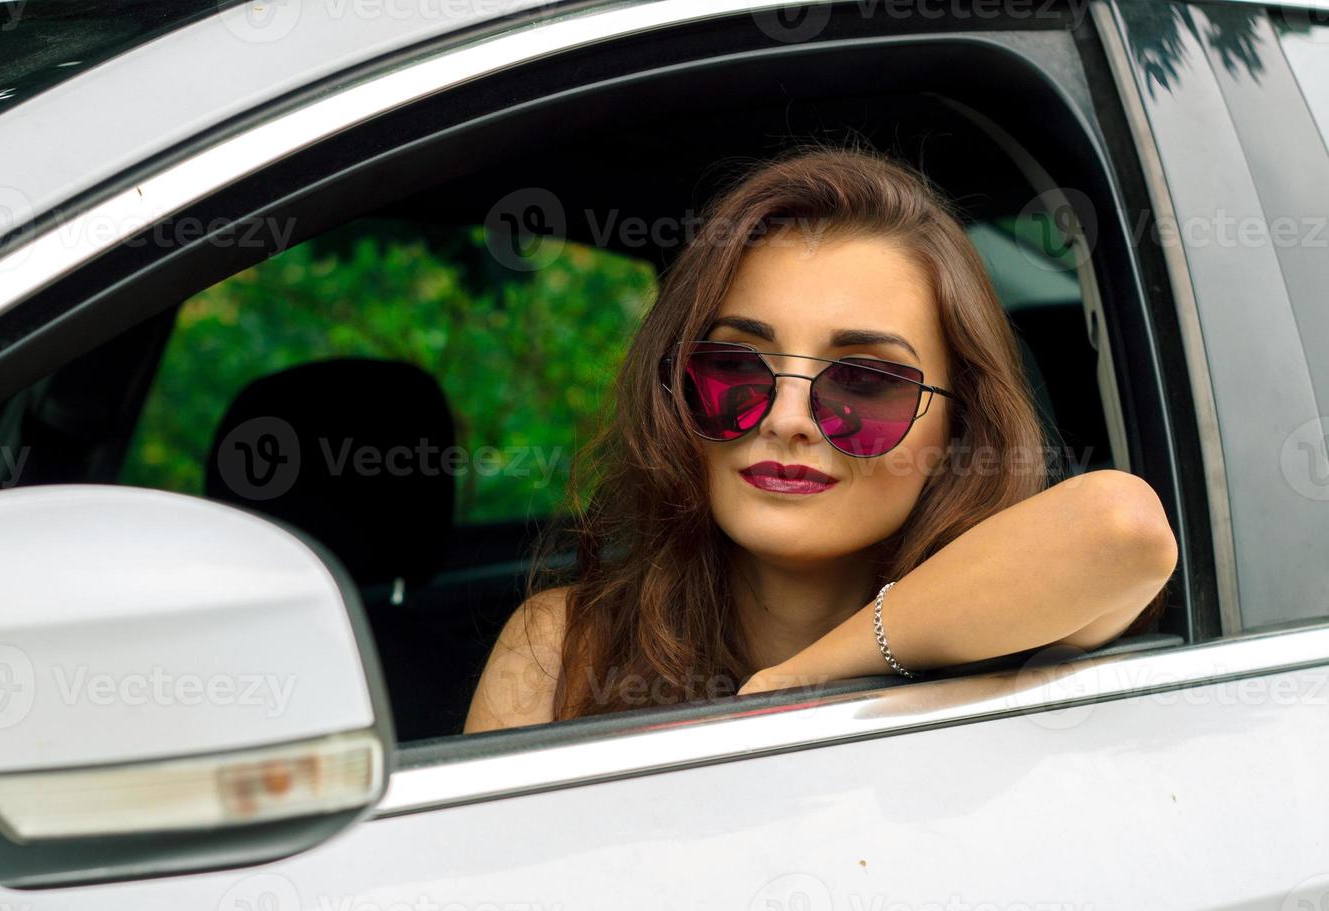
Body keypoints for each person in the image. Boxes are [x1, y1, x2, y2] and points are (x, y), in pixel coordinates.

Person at [464, 145, 1176, 733]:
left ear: (959, 428)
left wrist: (797, 682)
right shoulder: (563, 649)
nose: (787, 418)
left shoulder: (1026, 616)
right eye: (736, 367)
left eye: (864, 383)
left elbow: (1122, 527)